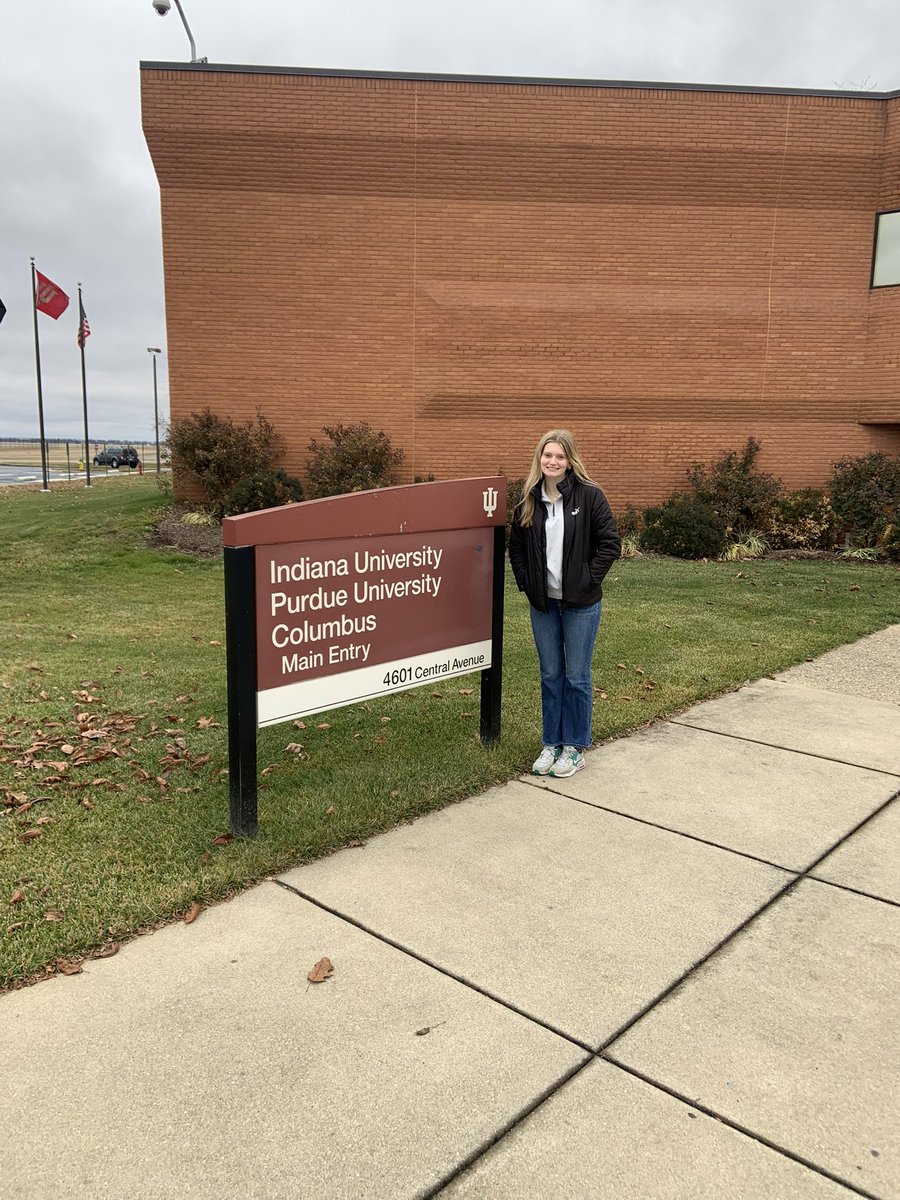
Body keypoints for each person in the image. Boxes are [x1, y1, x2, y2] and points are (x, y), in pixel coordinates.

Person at [508, 429, 620, 778]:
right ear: (538, 459)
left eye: (559, 456)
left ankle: (573, 747)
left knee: (576, 676)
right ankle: (550, 744)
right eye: (547, 455)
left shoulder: (590, 496)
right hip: (544, 604)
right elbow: (518, 550)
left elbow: (610, 544)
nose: (552, 462)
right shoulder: (528, 500)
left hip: (580, 604)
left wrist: (587, 579)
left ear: (570, 460)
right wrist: (527, 583)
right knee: (550, 674)